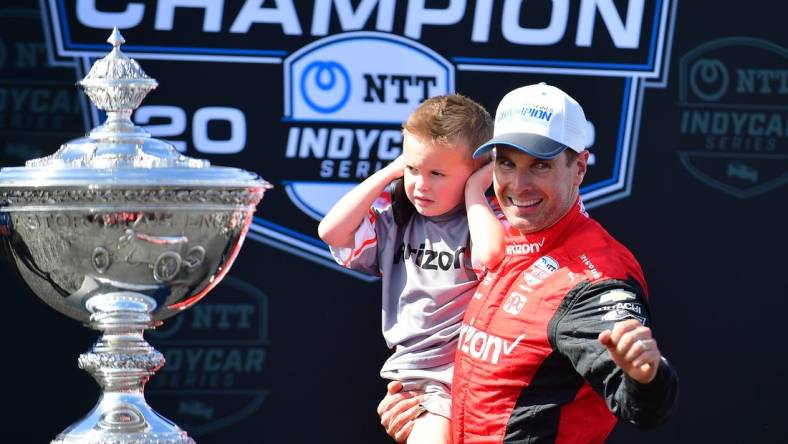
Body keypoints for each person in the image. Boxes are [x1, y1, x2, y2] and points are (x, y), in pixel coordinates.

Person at [377, 83, 679, 443]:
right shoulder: (498, 238)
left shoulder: (594, 277)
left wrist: (645, 376)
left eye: (540, 165)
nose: (519, 185)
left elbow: (641, 404)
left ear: (579, 167)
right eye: (506, 163)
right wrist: (424, 410)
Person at [318, 94, 504, 443]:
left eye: (437, 173)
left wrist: (477, 191)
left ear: (479, 169)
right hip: (410, 376)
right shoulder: (397, 218)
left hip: (458, 375)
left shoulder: (482, 219)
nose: (421, 185)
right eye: (413, 170)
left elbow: (492, 255)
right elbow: (330, 230)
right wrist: (392, 170)